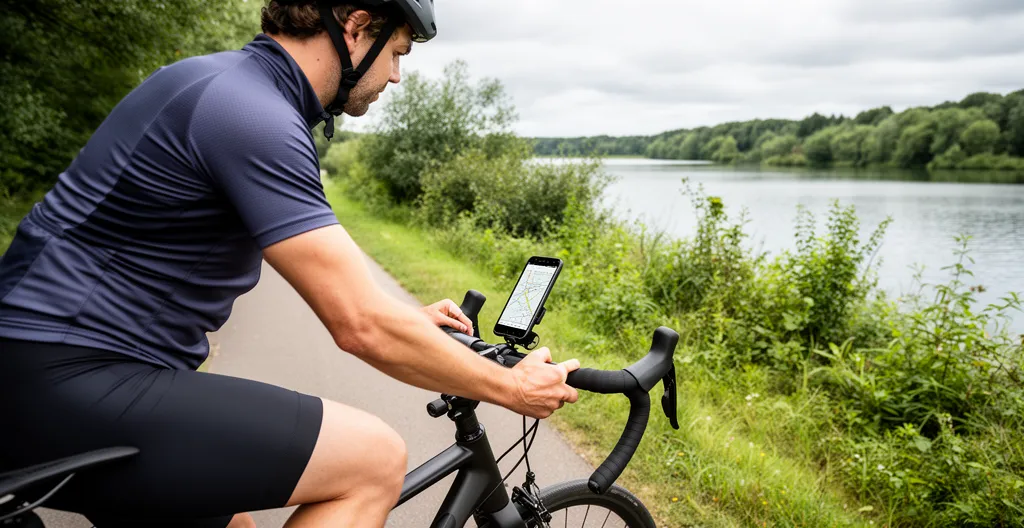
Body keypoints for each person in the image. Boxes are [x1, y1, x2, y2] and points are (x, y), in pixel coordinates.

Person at [0, 1, 580, 526]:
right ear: (356, 28)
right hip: (66, 379)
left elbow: (327, 273)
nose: (396, 77)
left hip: (47, 374)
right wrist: (511, 387)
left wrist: (402, 320)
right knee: (373, 460)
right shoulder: (252, 114)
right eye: (397, 54)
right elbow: (358, 325)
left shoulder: (221, 83)